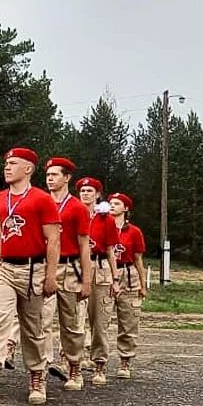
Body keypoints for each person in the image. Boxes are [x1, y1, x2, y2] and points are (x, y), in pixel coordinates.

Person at [0, 148, 60, 406]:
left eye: (13, 163)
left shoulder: (41, 199)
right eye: (6, 163)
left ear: (28, 169)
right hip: (3, 268)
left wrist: (50, 276)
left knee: (33, 327)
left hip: (32, 269)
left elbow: (53, 240)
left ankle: (37, 374)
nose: (7, 167)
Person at [42, 157, 92, 390]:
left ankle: (74, 367)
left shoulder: (78, 208)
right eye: (48, 175)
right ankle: (40, 368)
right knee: (41, 320)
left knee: (70, 323)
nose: (50, 178)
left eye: (55, 174)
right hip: (44, 266)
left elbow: (84, 246)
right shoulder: (41, 202)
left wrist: (87, 280)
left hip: (70, 267)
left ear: (67, 178)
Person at [76, 177, 118, 386]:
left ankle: (99, 364)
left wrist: (115, 277)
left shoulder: (106, 219)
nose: (85, 193)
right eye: (82, 190)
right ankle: (72, 363)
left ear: (98, 194)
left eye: (90, 190)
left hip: (100, 268)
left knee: (99, 321)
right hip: (76, 268)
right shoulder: (73, 214)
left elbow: (111, 250)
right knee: (75, 319)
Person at [108, 193, 147, 379]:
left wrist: (143, 284)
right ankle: (94, 359)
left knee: (128, 320)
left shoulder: (134, 232)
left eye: (117, 203)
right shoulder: (101, 227)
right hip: (106, 273)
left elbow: (139, 259)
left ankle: (125, 361)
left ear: (126, 208)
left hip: (128, 274)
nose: (112, 206)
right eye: (110, 203)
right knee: (99, 319)